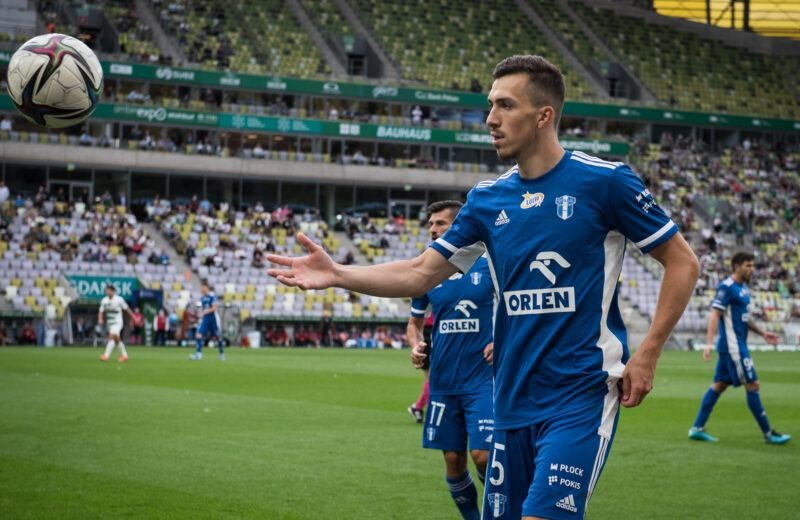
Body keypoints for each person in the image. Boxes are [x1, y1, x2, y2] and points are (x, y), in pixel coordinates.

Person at [267, 55, 699, 520]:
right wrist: (338, 273)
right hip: (508, 400)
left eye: (505, 105)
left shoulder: (605, 182)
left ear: (543, 115)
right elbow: (419, 273)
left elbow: (682, 262)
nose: (490, 118)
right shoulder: (487, 199)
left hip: (579, 395)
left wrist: (648, 352)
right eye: (490, 105)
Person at [407, 200, 495, 520]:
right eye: (430, 224)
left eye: (440, 223)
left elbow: (515, 310)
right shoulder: (427, 272)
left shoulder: (491, 264)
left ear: (459, 226)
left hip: (484, 378)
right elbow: (414, 323)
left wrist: (502, 339)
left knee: (484, 455)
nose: (432, 229)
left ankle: (504, 510)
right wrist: (416, 344)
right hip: (444, 381)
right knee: (453, 460)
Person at [688, 252, 791, 445]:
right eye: (748, 265)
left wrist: (763, 333)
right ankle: (769, 434)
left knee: (719, 385)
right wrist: (709, 343)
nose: (752, 269)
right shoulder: (727, 287)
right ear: (736, 266)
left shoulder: (743, 288)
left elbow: (745, 318)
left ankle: (696, 428)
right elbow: (714, 315)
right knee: (753, 385)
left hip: (736, 345)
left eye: (753, 265)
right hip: (733, 347)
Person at [98, 285, 136, 362]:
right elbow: (101, 311)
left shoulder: (119, 299)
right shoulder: (104, 300)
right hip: (109, 323)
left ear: (113, 291)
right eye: (107, 290)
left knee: (112, 336)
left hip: (117, 321)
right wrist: (100, 318)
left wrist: (133, 317)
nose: (107, 292)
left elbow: (127, 309)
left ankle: (106, 355)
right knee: (116, 338)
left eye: (109, 290)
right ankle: (124, 355)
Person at [192, 280, 224, 360]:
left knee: (218, 337)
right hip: (206, 319)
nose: (201, 289)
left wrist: (205, 311)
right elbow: (203, 308)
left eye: (202, 287)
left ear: (206, 287)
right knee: (198, 334)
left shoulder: (212, 296)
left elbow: (214, 308)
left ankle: (222, 354)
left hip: (213, 319)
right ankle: (198, 354)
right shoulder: (203, 298)